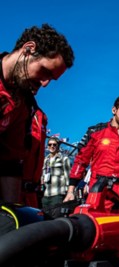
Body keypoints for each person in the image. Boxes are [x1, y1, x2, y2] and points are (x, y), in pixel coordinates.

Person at [0, 23, 74, 204]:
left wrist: (13, 218)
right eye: (44, 72)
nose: (45, 84)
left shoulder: (22, 105)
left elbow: (10, 163)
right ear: (28, 49)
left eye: (51, 79)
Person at [40, 137, 71, 210]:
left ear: (58, 146)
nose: (52, 146)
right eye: (50, 144)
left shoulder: (64, 159)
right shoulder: (45, 160)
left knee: (55, 219)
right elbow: (43, 175)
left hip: (58, 195)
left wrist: (68, 193)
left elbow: (68, 177)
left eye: (54, 144)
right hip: (46, 195)